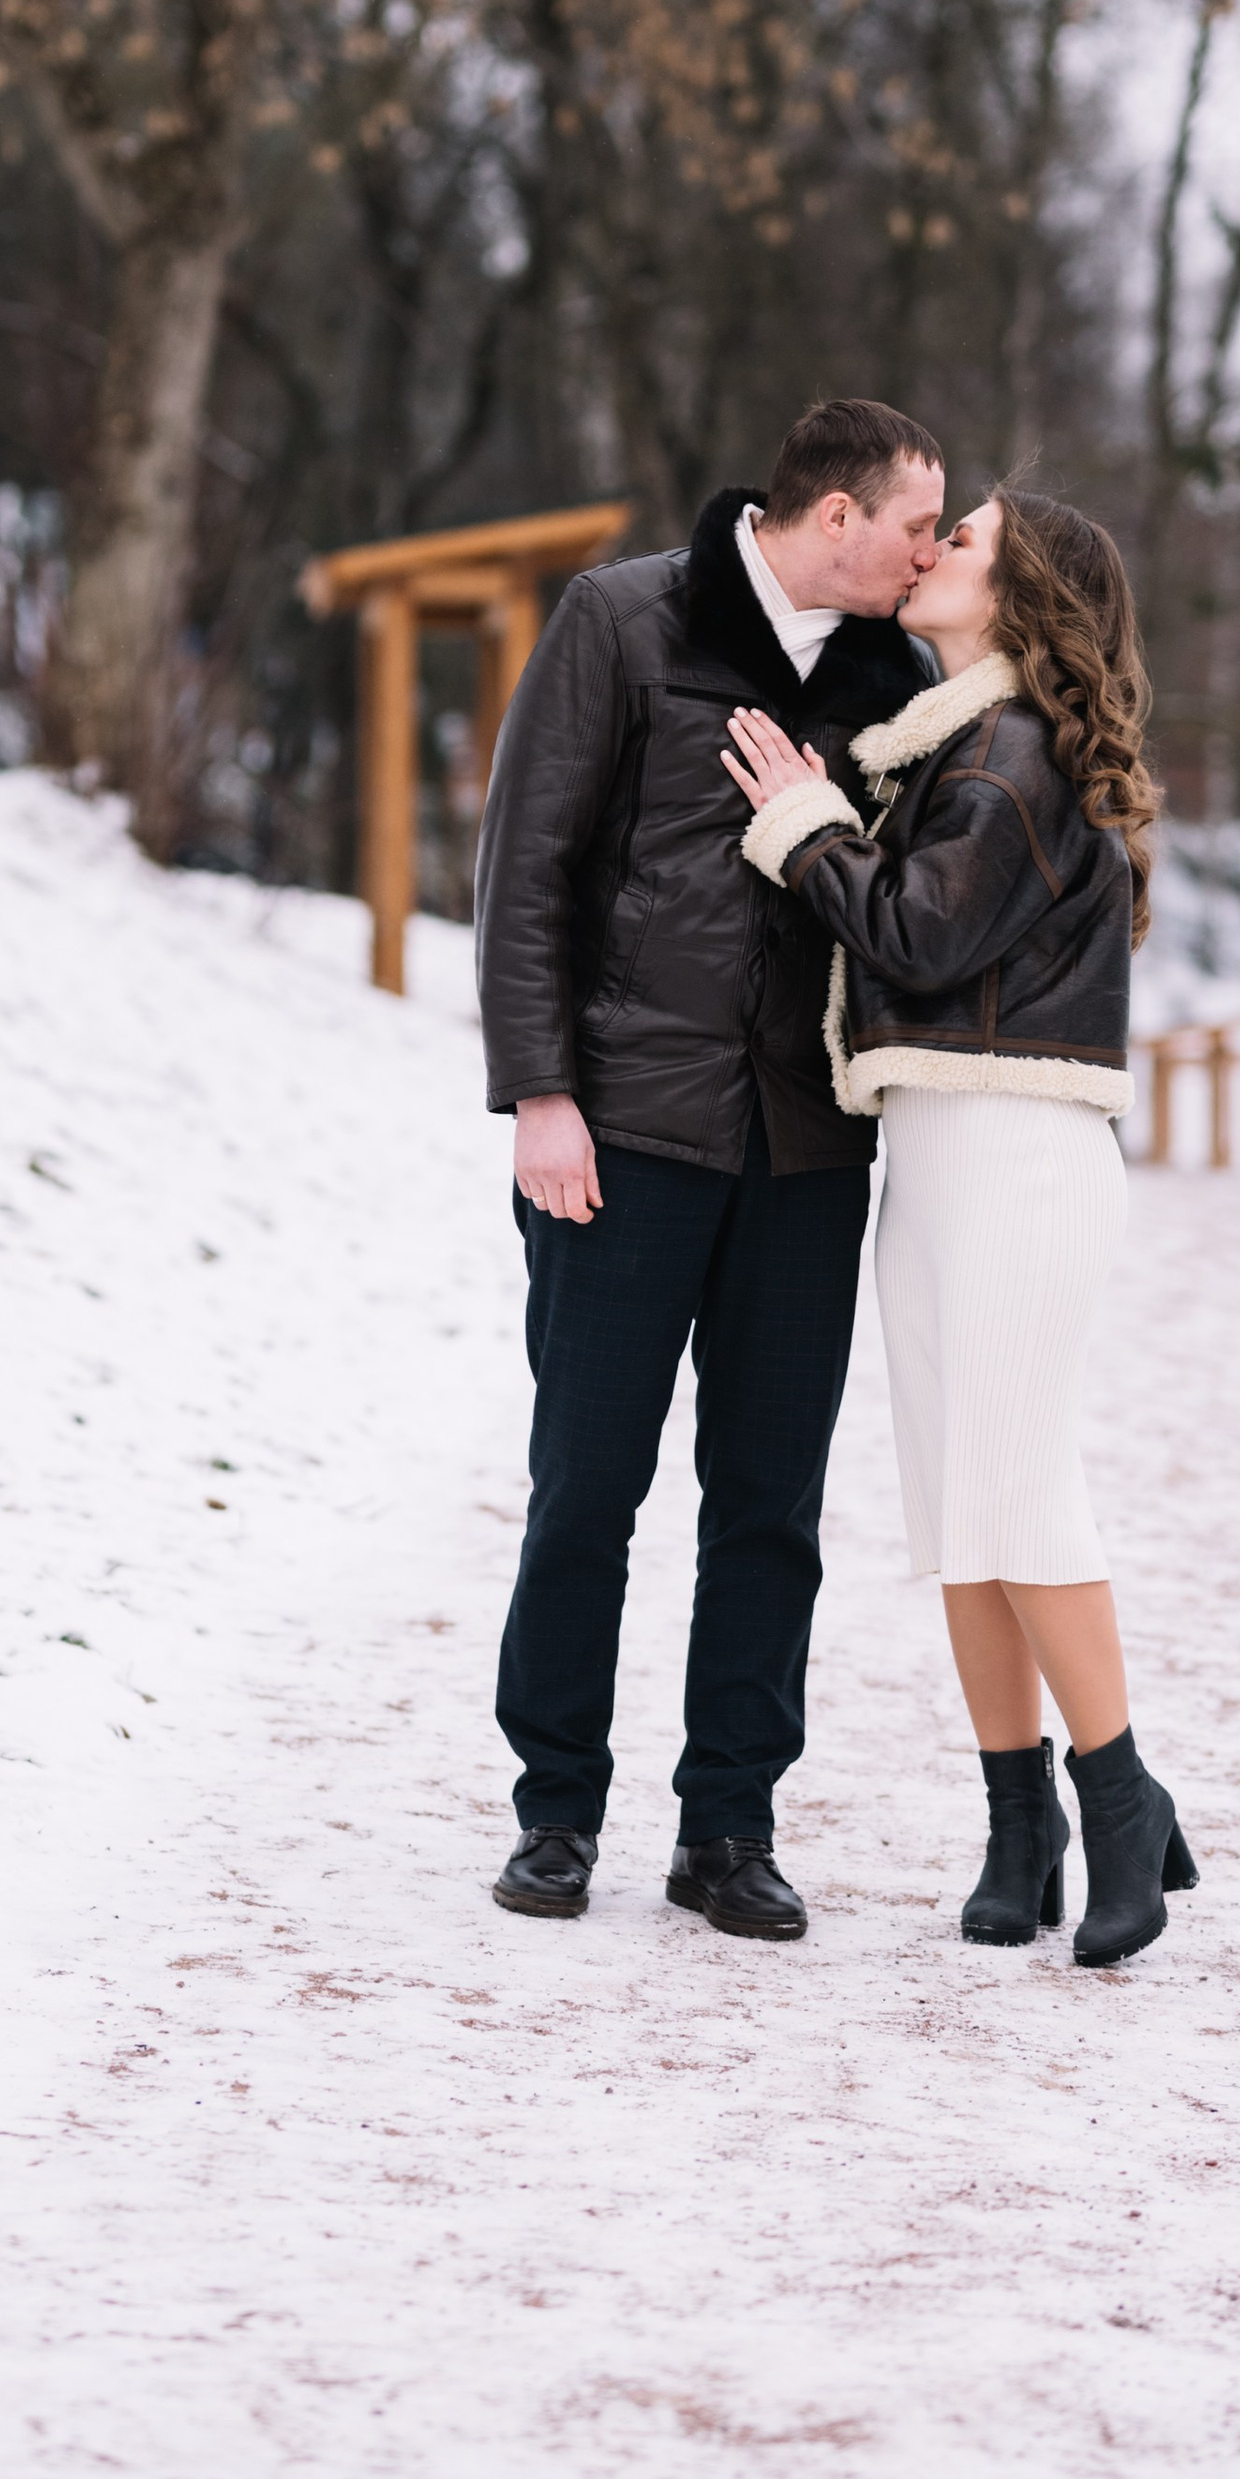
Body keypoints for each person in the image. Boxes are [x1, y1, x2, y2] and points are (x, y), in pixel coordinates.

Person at [473, 400, 944, 1936]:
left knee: (769, 1506)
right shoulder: (624, 622)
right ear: (834, 518)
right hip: (625, 1135)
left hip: (805, 1152)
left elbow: (909, 904)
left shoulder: (898, 677)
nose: (931, 553)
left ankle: (729, 1827)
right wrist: (541, 1092)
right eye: (915, 525)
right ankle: (555, 1812)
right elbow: (525, 869)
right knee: (585, 1489)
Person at [719, 486, 1198, 1969]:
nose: (932, 552)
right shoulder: (952, 748)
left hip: (1017, 1159)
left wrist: (804, 831)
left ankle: (1120, 1801)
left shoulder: (1013, 756)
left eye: (965, 540)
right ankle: (1017, 1823)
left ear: (1024, 596)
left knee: (1023, 1491)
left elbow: (922, 933)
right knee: (962, 1510)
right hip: (938, 1152)